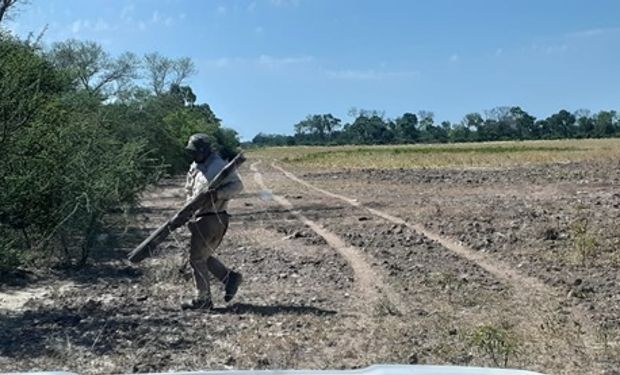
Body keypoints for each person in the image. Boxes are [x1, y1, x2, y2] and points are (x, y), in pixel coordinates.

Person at [180, 133, 244, 310]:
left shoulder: (219, 166)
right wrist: (186, 210)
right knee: (202, 256)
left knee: (196, 259)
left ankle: (203, 300)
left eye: (195, 151)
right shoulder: (195, 166)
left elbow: (237, 186)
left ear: (205, 150)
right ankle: (229, 277)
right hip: (197, 218)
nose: (193, 155)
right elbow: (189, 190)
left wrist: (217, 194)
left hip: (214, 217)